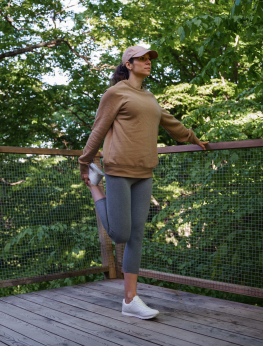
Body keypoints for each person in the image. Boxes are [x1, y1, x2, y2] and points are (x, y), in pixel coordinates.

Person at [79, 46, 209, 319]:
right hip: (118, 169)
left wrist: (194, 139)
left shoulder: (149, 97)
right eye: (143, 59)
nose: (148, 63)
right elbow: (99, 128)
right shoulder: (115, 93)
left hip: (145, 171)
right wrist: (84, 162)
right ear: (129, 63)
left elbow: (170, 123)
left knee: (137, 235)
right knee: (120, 234)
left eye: (150, 59)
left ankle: (130, 300)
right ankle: (94, 186)